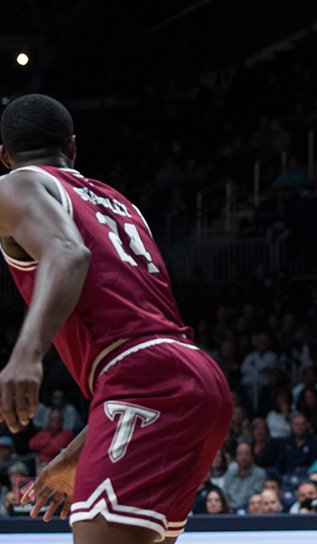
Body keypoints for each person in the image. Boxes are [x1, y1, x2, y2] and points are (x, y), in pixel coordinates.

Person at [0, 93, 233, 541]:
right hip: (194, 375)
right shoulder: (120, 203)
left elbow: (68, 253)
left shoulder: (17, 185)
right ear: (71, 147)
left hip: (145, 381)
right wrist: (75, 451)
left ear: (6, 156)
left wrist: (26, 356)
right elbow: (137, 335)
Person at [219, 441, 267, 511]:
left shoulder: (260, 474)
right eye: (240, 454)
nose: (243, 457)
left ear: (252, 456)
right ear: (236, 456)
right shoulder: (230, 472)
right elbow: (225, 494)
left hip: (249, 511)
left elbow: (257, 496)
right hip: (230, 511)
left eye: (246, 454)